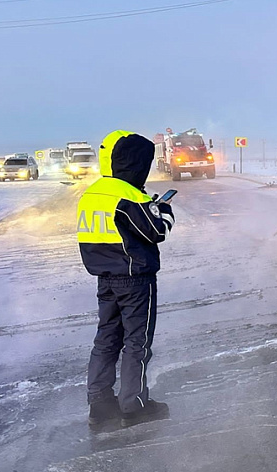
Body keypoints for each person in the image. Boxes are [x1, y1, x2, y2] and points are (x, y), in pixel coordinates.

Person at [77, 130, 175, 429]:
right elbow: (156, 232)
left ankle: (100, 403)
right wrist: (164, 210)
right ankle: (134, 404)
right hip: (134, 279)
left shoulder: (92, 193)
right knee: (137, 342)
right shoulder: (128, 195)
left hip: (104, 278)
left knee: (106, 340)